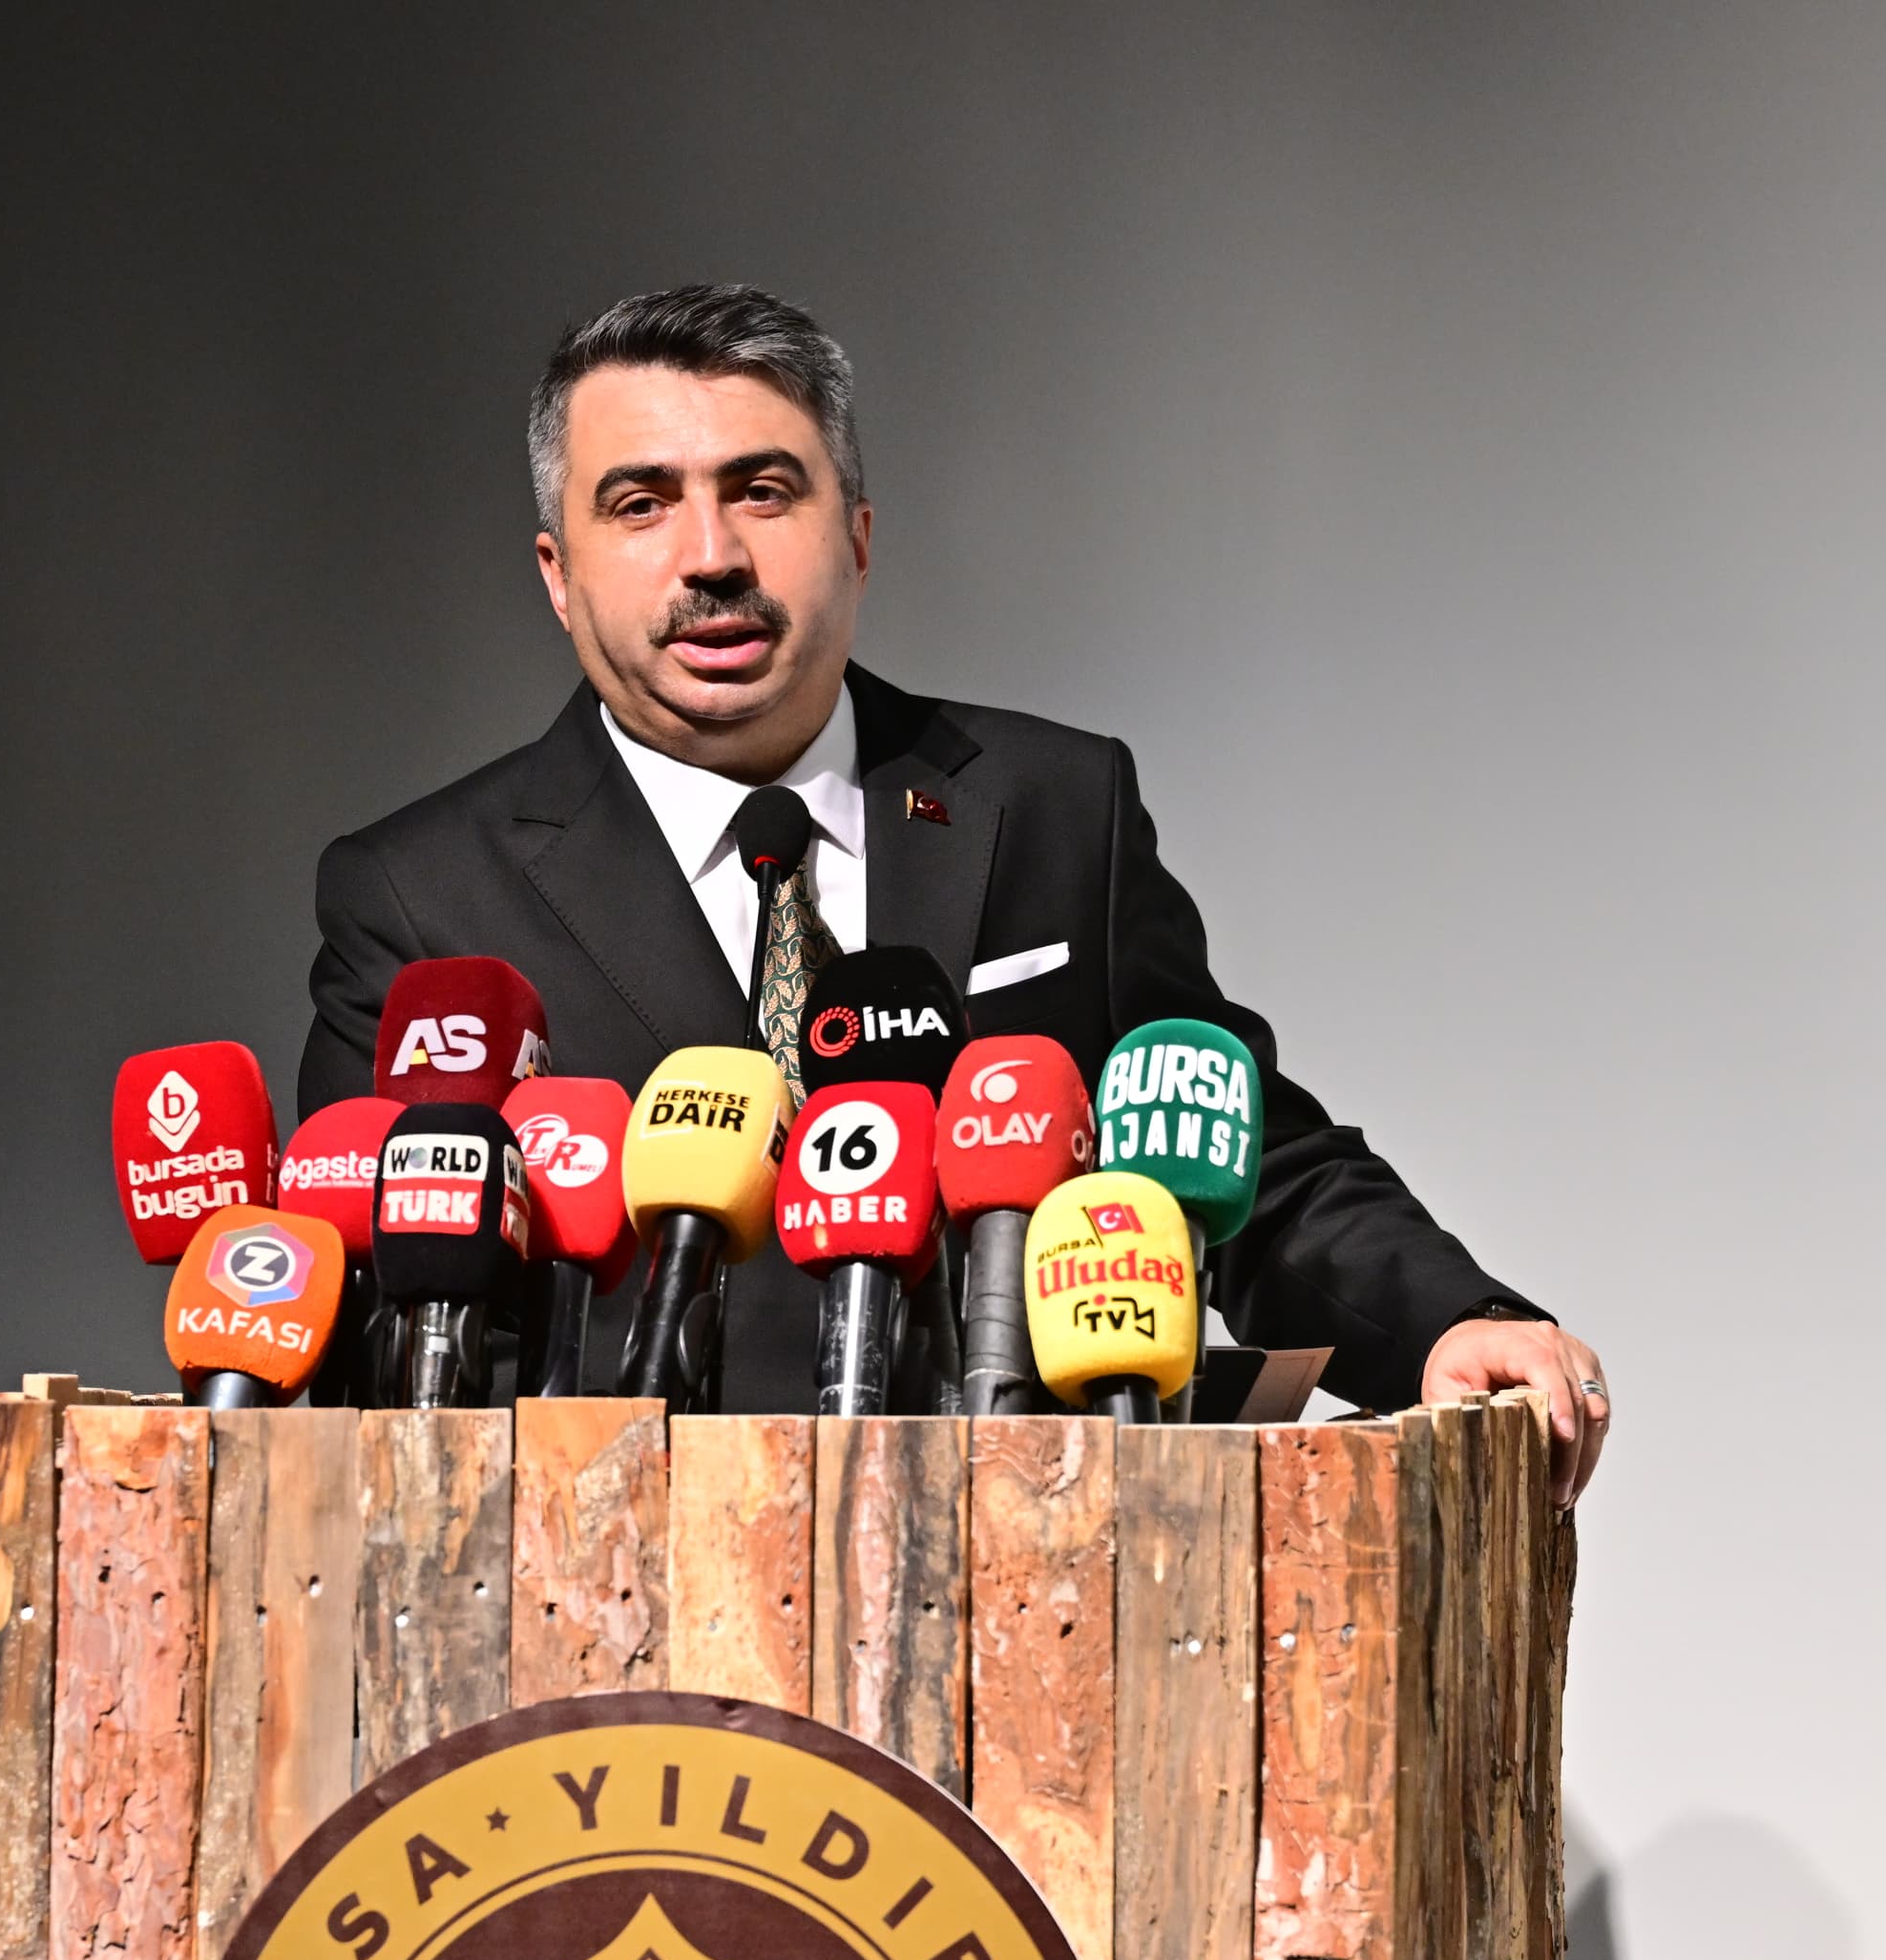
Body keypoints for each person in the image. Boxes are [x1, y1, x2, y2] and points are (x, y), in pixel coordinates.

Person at [299, 284, 1612, 1499]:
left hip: (1029, 1571)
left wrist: (1447, 1323)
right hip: (611, 1596)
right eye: (641, 504)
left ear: (858, 537)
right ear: (557, 573)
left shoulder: (1053, 806)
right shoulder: (421, 896)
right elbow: (380, 1309)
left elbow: (1230, 1152)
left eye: (763, 491)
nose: (711, 554)